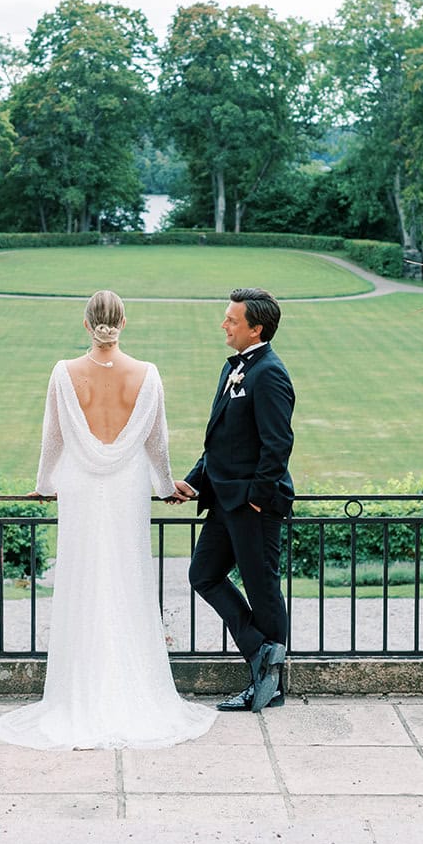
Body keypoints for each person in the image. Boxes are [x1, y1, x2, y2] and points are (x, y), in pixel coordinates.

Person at [0, 290, 216, 750]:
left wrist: (44, 482)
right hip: (127, 486)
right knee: (126, 576)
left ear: (87, 324)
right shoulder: (147, 375)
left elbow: (52, 437)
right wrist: (165, 484)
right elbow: (158, 442)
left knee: (81, 578)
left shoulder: (64, 373)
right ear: (123, 323)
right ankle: (132, 690)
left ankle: (79, 693)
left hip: (78, 484)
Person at [171, 288, 295, 713]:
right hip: (224, 499)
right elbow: (222, 440)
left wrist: (259, 500)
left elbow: (277, 444)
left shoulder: (270, 373)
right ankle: (263, 652)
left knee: (262, 591)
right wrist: (192, 481)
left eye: (231, 319)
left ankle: (270, 687)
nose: (224, 324)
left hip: (252, 504)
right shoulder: (238, 369)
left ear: (255, 327)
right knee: (203, 574)